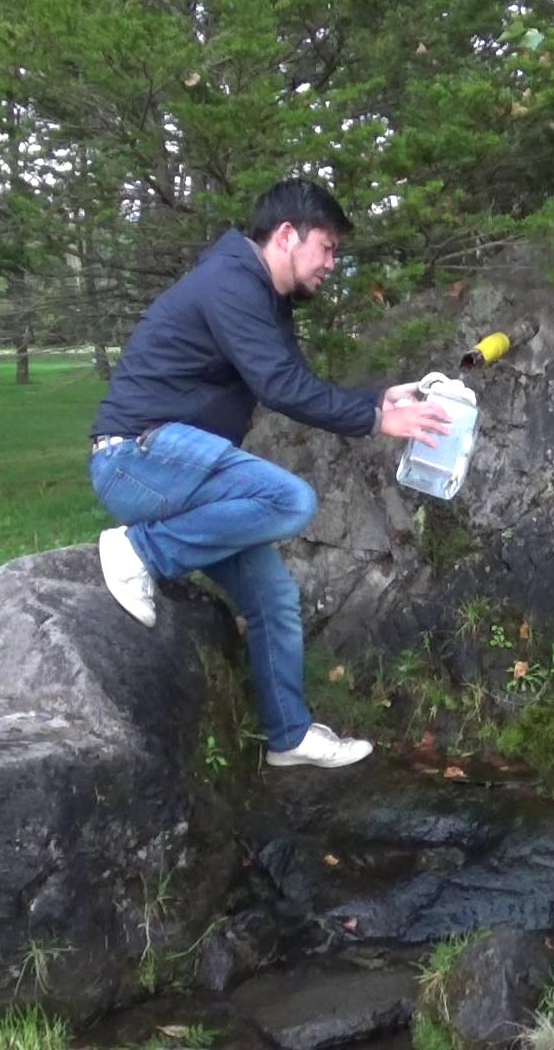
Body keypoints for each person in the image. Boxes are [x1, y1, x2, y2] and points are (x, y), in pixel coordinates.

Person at [87, 179, 451, 768]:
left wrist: (380, 399)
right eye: (327, 248)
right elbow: (279, 388)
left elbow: (294, 382)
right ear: (287, 235)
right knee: (289, 500)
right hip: (134, 458)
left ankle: (288, 737)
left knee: (273, 596)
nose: (333, 264)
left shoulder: (263, 296)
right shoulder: (232, 282)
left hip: (180, 469)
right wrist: (377, 420)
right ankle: (140, 551)